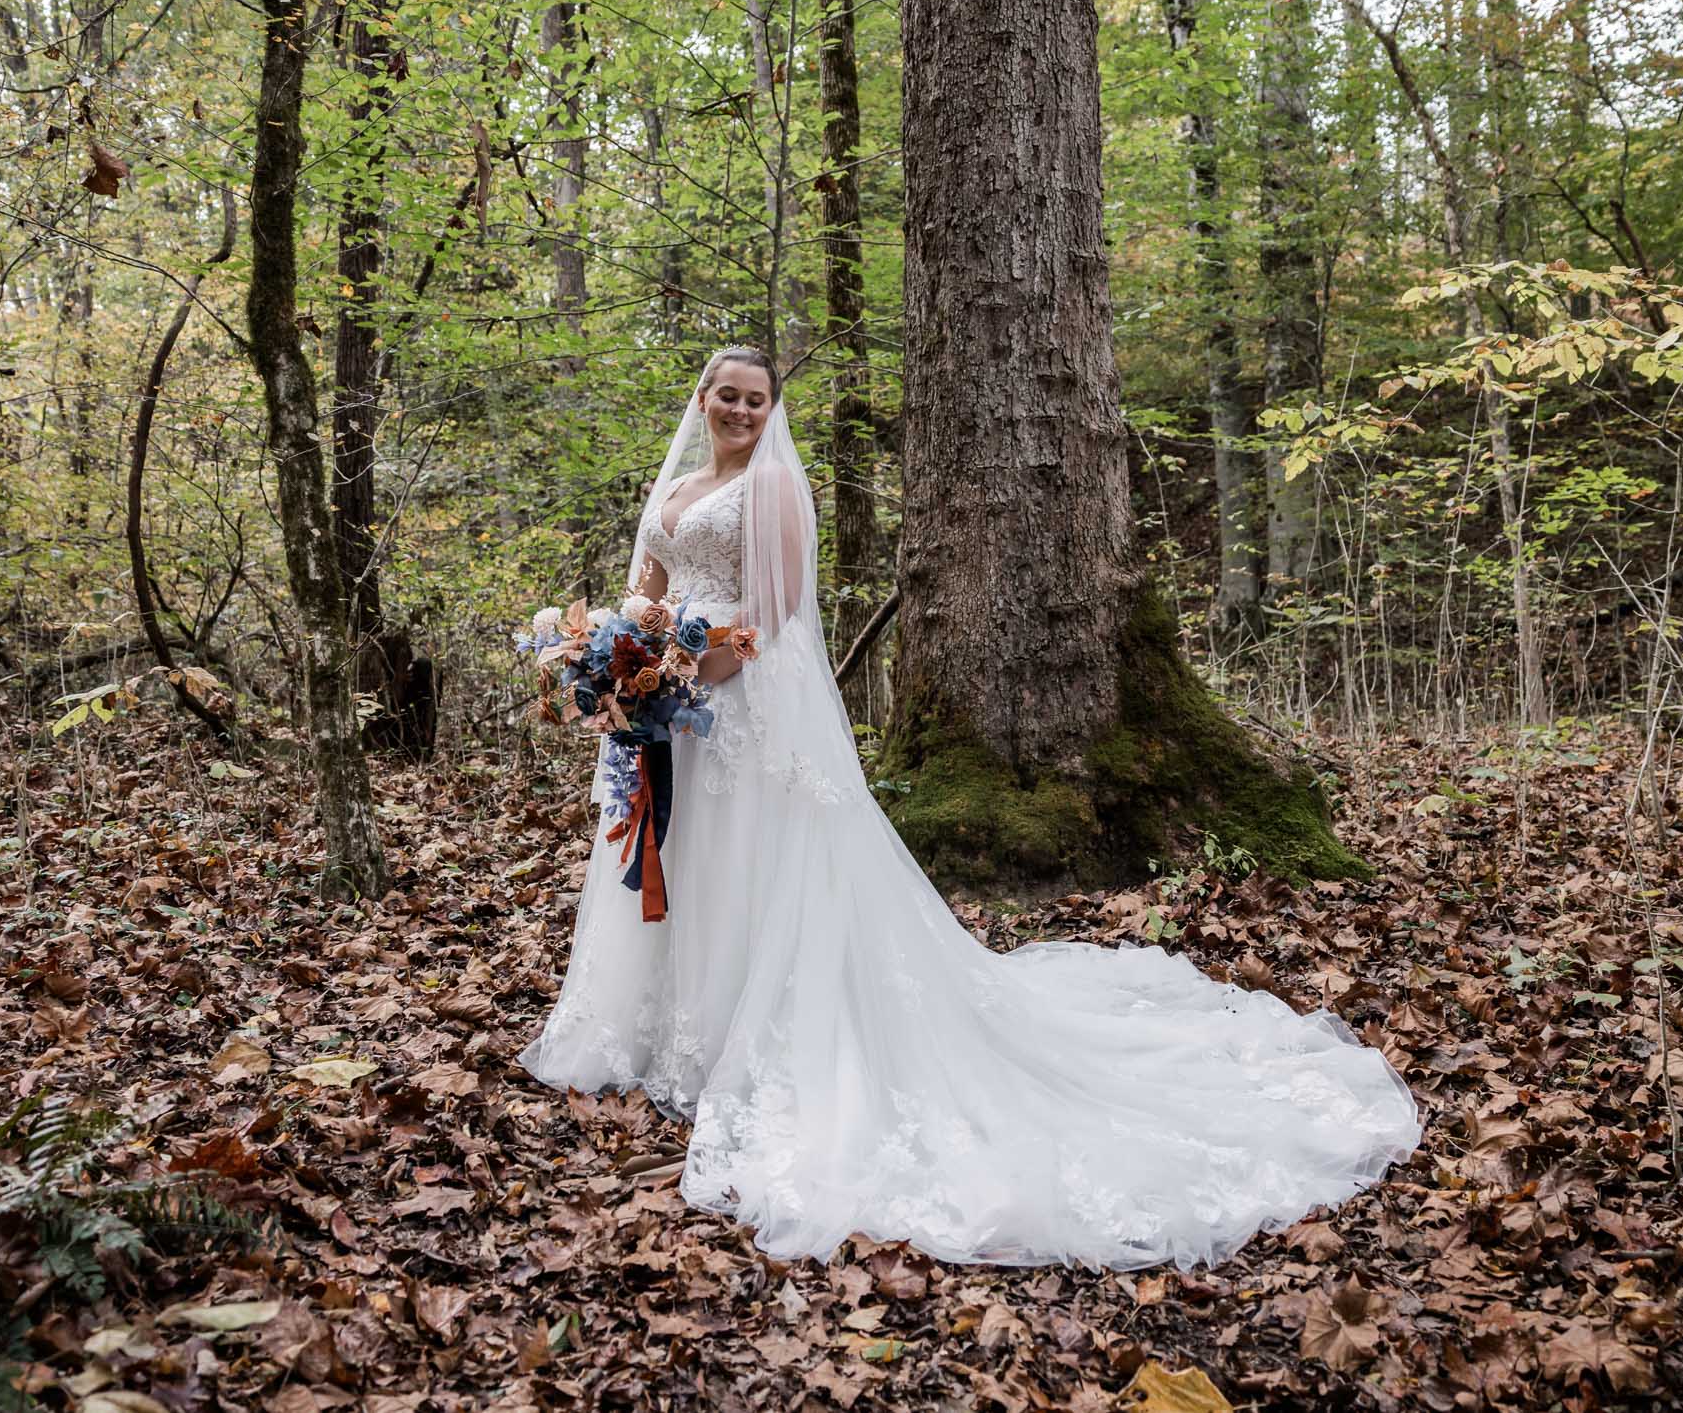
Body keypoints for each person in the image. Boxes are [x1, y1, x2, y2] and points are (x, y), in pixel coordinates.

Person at [516, 346, 1420, 1270]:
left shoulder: (774, 487)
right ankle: (672, 1033)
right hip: (669, 707)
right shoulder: (676, 488)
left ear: (771, 408)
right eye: (728, 396)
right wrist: (615, 661)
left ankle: (750, 1039)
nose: (741, 411)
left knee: (750, 857)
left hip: (738, 696)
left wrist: (687, 671)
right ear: (704, 398)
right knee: (688, 853)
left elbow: (778, 606)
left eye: (756, 399)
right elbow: (647, 588)